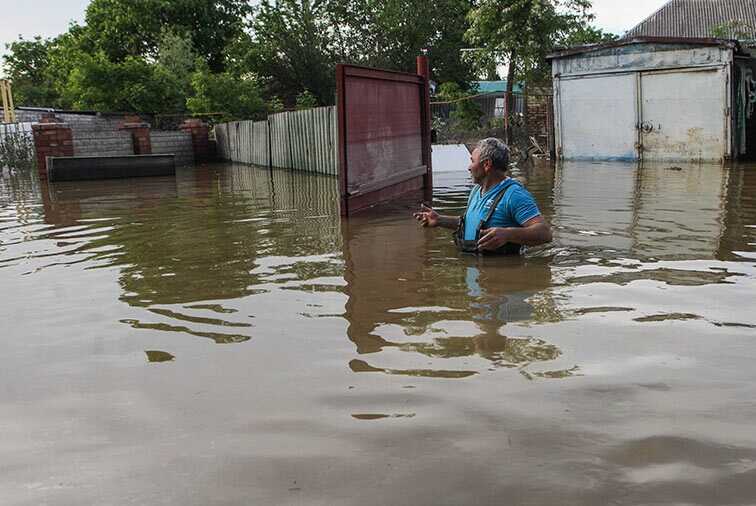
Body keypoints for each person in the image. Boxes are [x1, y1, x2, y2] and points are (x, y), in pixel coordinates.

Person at [413, 137, 552, 254]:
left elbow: (545, 233)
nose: (468, 167)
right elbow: (471, 223)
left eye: (472, 161)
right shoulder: (476, 191)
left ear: (486, 165)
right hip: (476, 274)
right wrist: (439, 220)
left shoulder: (514, 195)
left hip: (499, 279)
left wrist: (508, 234)